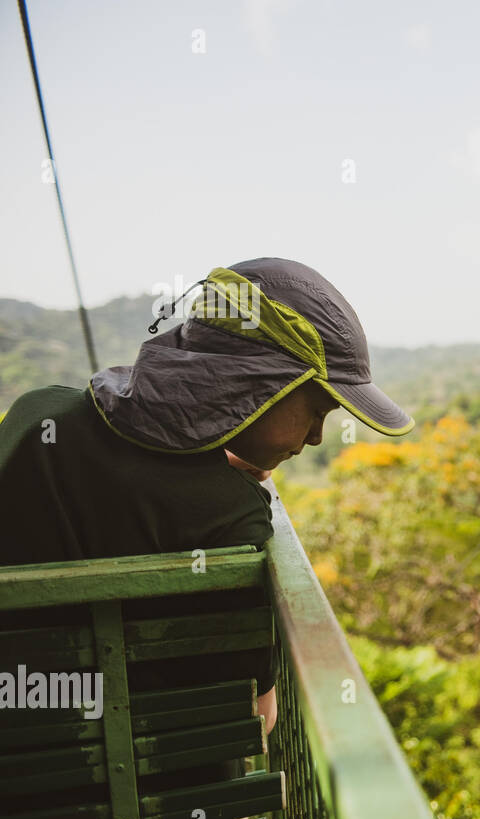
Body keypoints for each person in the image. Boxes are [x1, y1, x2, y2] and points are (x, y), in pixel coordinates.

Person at [0, 257, 414, 742]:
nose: (318, 437)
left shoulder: (37, 415)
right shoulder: (232, 516)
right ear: (260, 382)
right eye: (317, 410)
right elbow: (257, 721)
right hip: (150, 804)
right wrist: (226, 486)